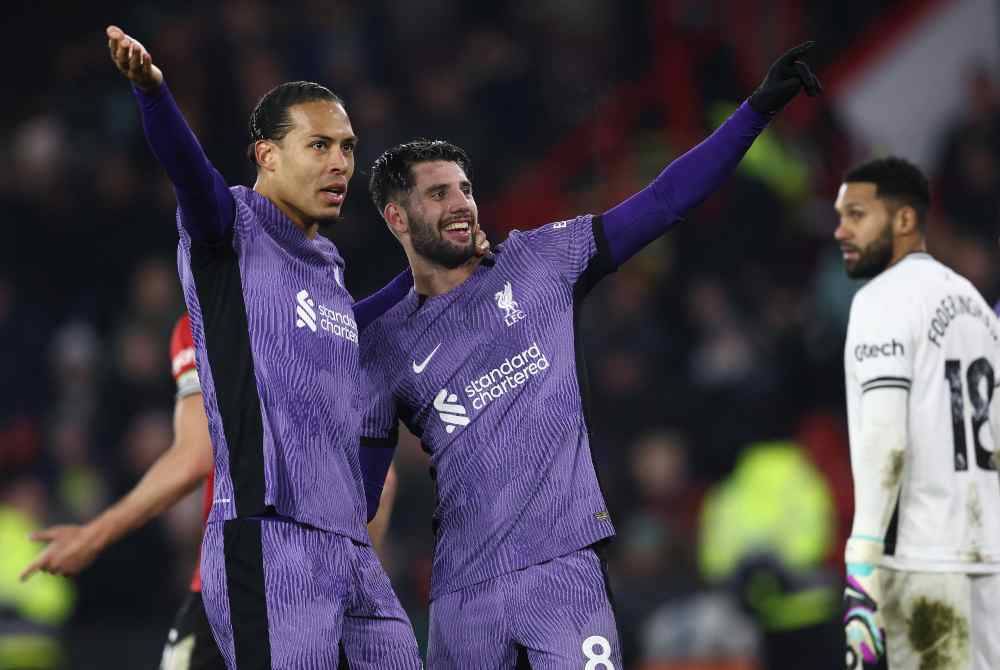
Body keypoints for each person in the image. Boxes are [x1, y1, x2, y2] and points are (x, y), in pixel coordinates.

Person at [358, 44, 821, 668]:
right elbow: (364, 484)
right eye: (438, 194)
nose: (462, 203)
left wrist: (755, 111)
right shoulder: (386, 342)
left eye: (465, 189)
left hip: (564, 572)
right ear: (396, 217)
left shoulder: (541, 262)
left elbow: (662, 203)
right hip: (464, 594)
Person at [104, 24, 426, 670]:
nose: (340, 162)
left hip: (347, 547)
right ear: (267, 155)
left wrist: (427, 276)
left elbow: (341, 332)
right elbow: (189, 174)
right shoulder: (230, 230)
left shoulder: (326, 263)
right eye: (319, 145)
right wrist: (153, 94)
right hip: (266, 538)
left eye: (348, 147)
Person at [18, 313, 402, 669]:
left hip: (237, 588)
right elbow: (380, 483)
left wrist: (92, 536)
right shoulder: (333, 320)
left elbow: (194, 456)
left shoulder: (205, 319)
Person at [835, 157, 1000, 670]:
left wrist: (862, 556)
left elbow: (887, 434)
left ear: (905, 220)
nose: (841, 230)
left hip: (925, 558)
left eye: (857, 215)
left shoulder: (881, 300)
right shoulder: (974, 303)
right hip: (991, 554)